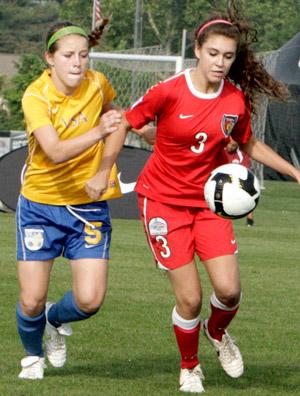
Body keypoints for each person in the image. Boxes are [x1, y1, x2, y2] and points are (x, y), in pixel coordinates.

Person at [113, 3, 300, 394]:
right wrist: (102, 171)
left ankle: (218, 335)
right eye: (213, 54)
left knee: (229, 291)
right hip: (162, 202)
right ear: (198, 50)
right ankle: (189, 366)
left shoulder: (234, 99)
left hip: (208, 204)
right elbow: (127, 121)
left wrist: (294, 171)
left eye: (228, 56)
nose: (219, 62)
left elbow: (247, 141)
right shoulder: (168, 91)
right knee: (191, 299)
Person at [16, 19, 125, 380]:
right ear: (50, 58)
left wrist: (102, 171)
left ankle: (53, 319)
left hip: (88, 208)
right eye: (68, 55)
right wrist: (99, 130)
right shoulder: (35, 96)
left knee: (90, 301)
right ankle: (32, 357)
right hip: (40, 206)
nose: (78, 62)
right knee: (30, 299)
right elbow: (55, 151)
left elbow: (118, 121)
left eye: (84, 54)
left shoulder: (98, 84)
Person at [222, 137, 255, 226]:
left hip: (236, 180)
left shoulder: (241, 154)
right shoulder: (221, 149)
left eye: (233, 145)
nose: (230, 146)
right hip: (223, 179)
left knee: (249, 191)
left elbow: (245, 171)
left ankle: (250, 219)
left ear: (237, 146)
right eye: (229, 144)